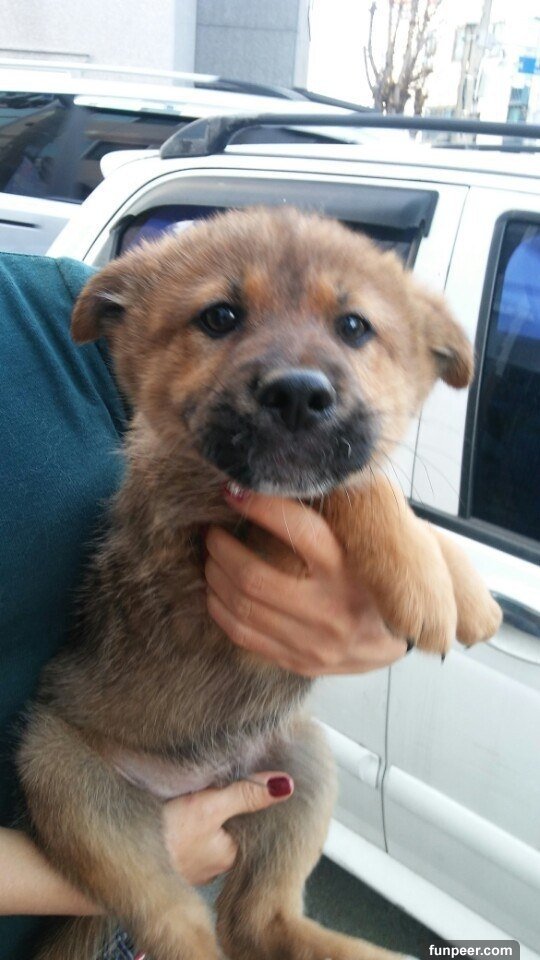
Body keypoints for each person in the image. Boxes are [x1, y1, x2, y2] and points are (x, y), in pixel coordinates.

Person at [0, 251, 408, 960]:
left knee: (306, 763)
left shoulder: (48, 307)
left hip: (157, 854)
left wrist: (380, 597)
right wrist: (137, 880)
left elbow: (276, 446)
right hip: (94, 816)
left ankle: (273, 923)